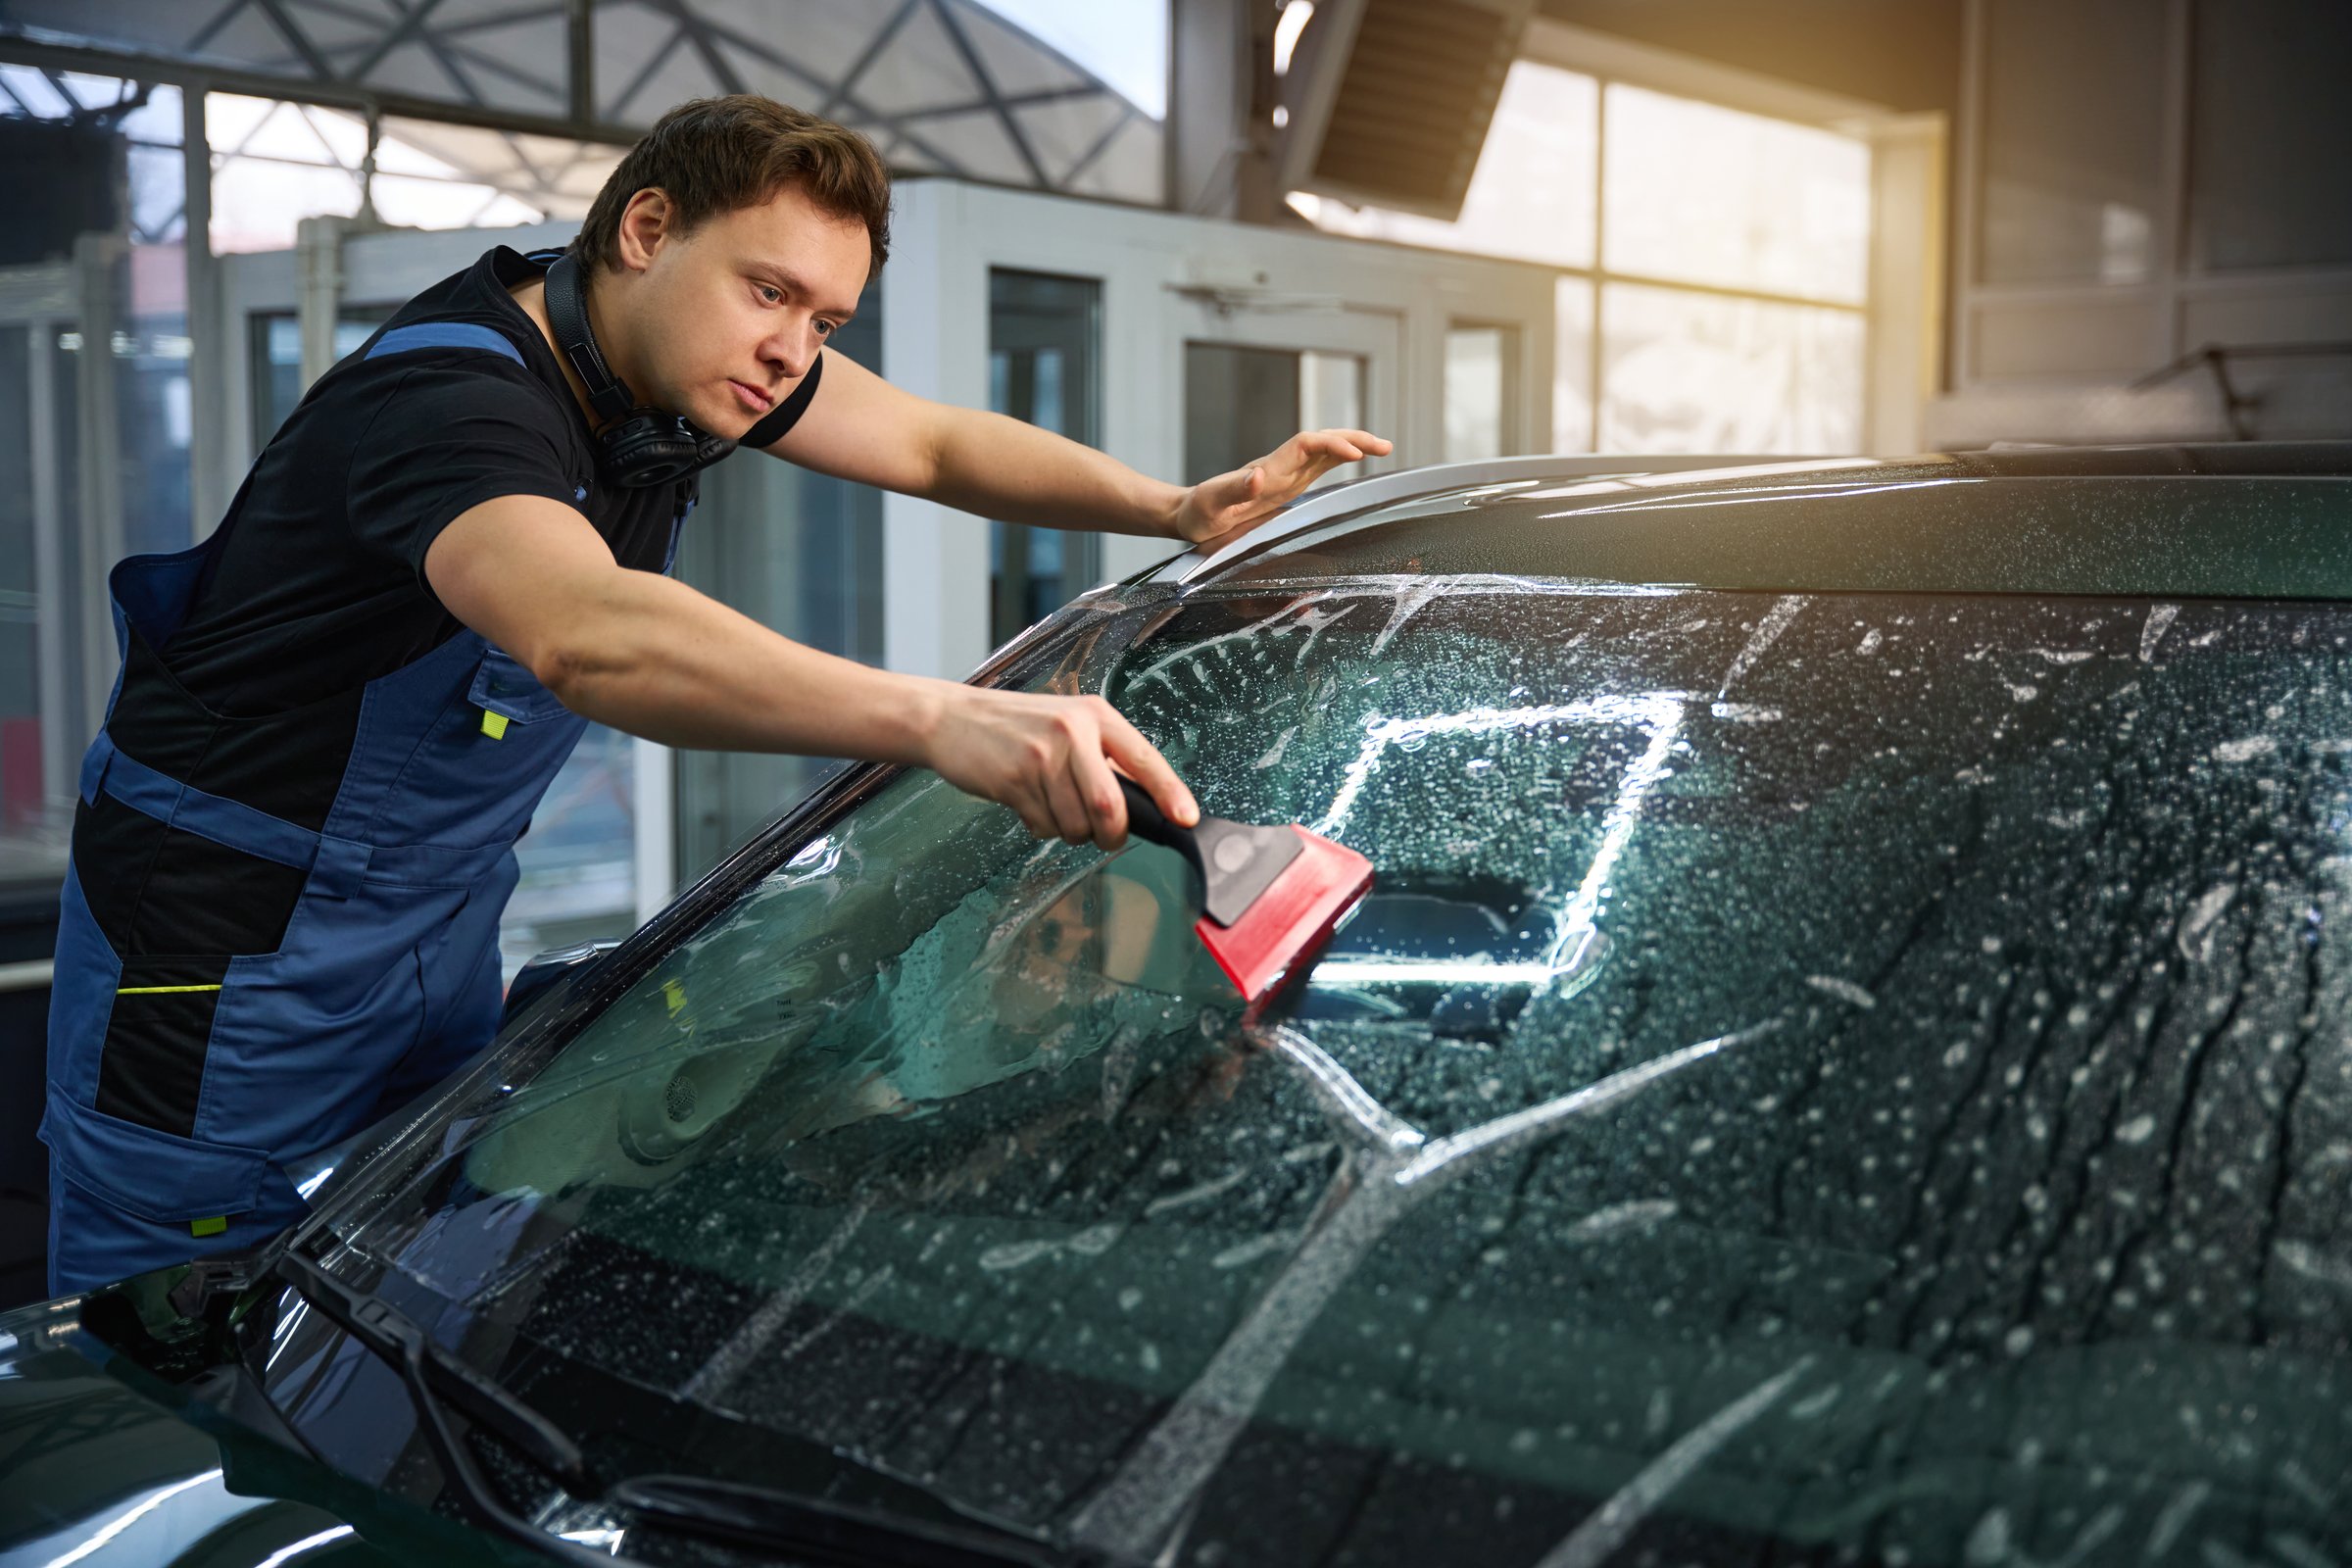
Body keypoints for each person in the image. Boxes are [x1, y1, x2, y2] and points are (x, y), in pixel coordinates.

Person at [41, 93, 1391, 1296]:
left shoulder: (681, 366)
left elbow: (931, 442)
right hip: (217, 951)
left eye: (825, 321)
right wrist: (944, 719)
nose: (794, 351)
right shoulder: (453, 408)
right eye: (770, 292)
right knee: (168, 1331)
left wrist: (1174, 506)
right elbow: (586, 634)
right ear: (645, 230)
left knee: (380, 1284)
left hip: (430, 930)